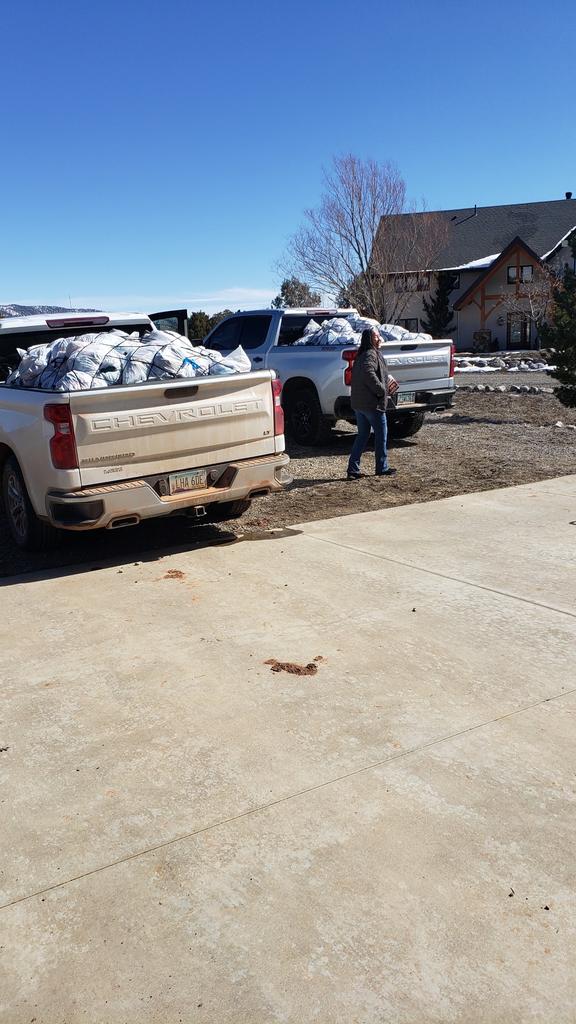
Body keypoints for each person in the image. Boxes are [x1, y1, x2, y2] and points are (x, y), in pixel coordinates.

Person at [346, 327, 398, 480]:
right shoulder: (371, 354)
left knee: (362, 435)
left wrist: (386, 380)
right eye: (376, 336)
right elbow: (369, 373)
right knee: (381, 434)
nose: (379, 338)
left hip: (359, 403)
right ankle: (382, 468)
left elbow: (370, 373)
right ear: (370, 339)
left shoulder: (362, 354)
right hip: (371, 404)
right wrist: (381, 390)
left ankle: (352, 469)